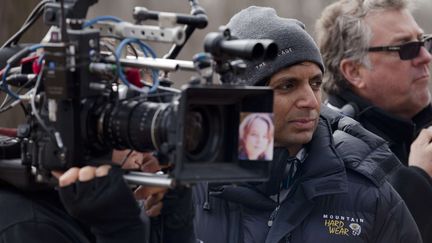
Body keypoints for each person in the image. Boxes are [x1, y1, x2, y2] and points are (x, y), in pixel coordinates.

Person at [186, 6, 422, 243]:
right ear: (243, 98)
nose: (310, 101)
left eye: (316, 83)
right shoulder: (186, 186)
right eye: (288, 85)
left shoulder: (368, 190)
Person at [315, 1, 432, 241]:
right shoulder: (321, 150)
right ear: (354, 71)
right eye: (406, 48)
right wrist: (419, 180)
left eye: (424, 42)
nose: (425, 57)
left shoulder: (421, 126)